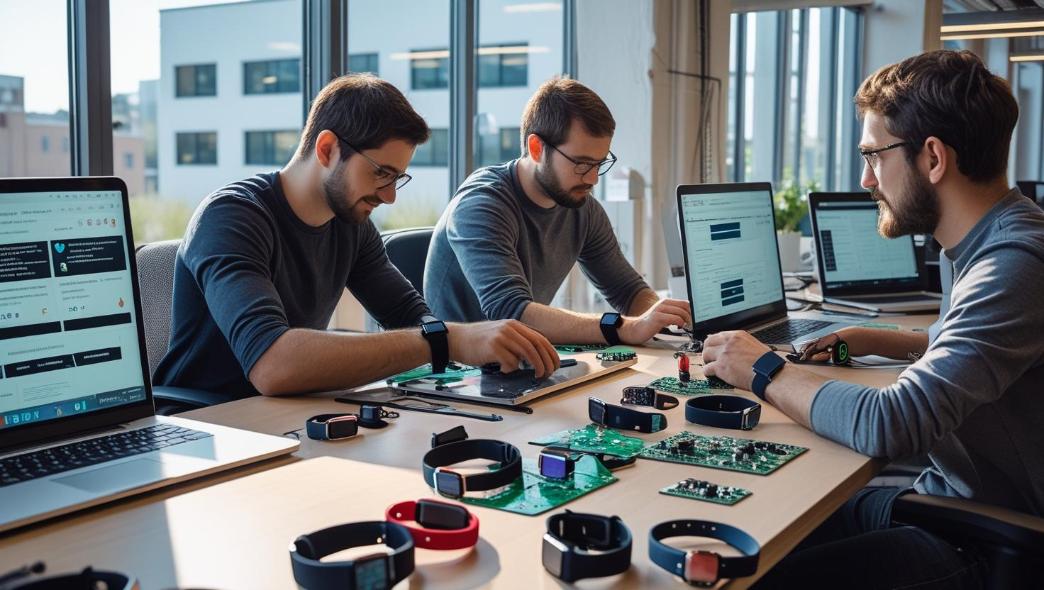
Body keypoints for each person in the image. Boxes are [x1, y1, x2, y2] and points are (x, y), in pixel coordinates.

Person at [704, 50, 1044, 589]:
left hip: (995, 538)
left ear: (933, 157)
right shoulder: (987, 238)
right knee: (768, 522)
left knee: (752, 578)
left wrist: (762, 368)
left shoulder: (1015, 263)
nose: (866, 179)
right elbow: (965, 344)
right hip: (953, 499)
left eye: (874, 155)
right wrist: (873, 338)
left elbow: (893, 422)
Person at [153, 74, 559, 399]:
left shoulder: (350, 223)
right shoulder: (231, 217)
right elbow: (273, 365)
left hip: (290, 417)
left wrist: (483, 346)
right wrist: (445, 340)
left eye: (398, 178)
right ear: (327, 148)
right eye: (381, 173)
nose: (390, 196)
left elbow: (409, 315)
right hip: (209, 424)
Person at [424, 77, 691, 346]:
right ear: (536, 148)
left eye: (599, 164)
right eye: (582, 164)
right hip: (458, 365)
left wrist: (666, 318)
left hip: (525, 356)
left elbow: (628, 291)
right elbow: (510, 311)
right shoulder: (481, 204)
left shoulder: (581, 207)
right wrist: (625, 327)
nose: (593, 179)